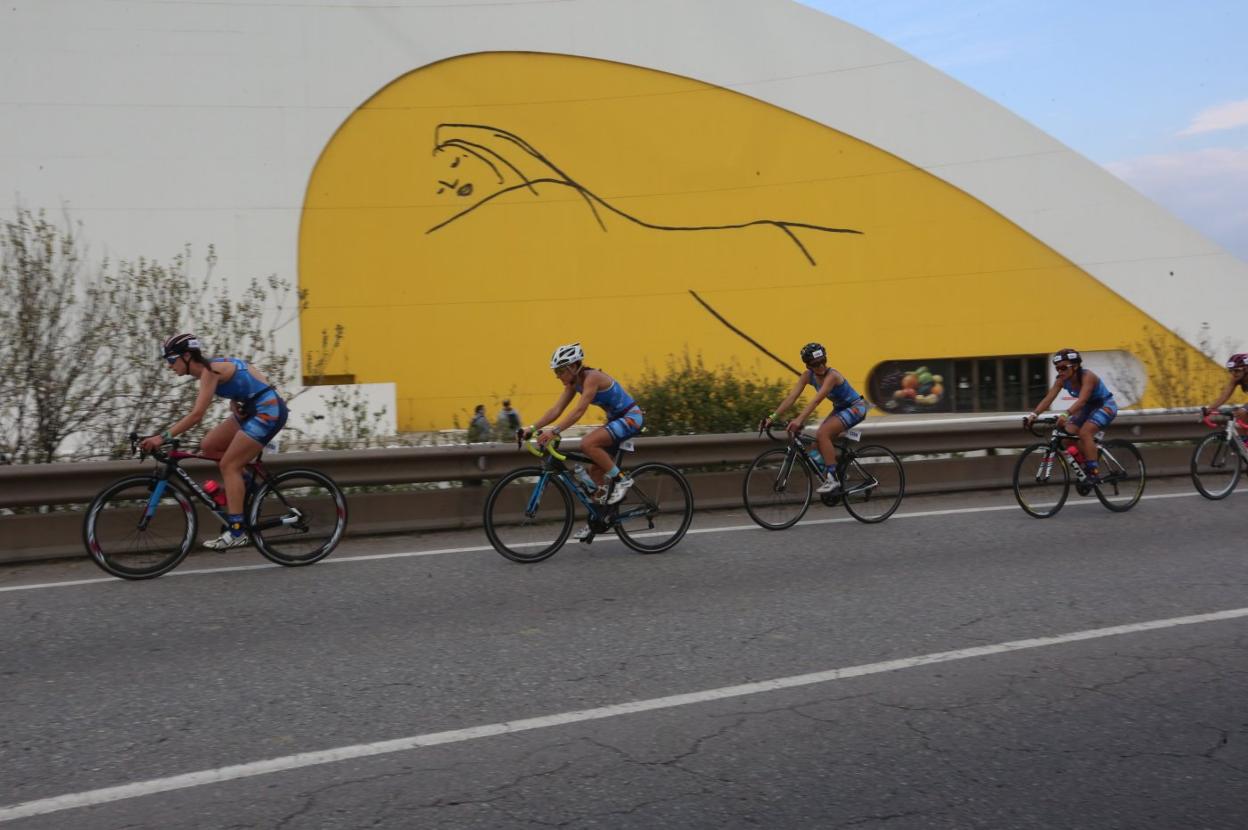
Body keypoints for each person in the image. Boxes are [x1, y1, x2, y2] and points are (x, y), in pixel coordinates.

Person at [141, 333, 288, 550]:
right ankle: (246, 485)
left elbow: (196, 415)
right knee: (209, 446)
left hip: (268, 412)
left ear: (188, 356)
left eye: (171, 360)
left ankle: (237, 530)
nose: (169, 366)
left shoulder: (210, 372)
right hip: (251, 410)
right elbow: (247, 370)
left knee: (229, 465)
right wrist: (236, 400)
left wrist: (160, 438)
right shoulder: (215, 365)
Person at [526, 343, 642, 537]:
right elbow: (556, 410)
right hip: (616, 420)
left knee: (587, 444)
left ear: (573, 366)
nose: (558, 376)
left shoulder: (592, 378)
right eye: (556, 371)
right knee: (594, 472)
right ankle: (600, 518)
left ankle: (622, 481)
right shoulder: (574, 384)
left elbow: (579, 411)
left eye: (560, 370)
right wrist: (530, 428)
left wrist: (554, 432)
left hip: (631, 417)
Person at [761, 342, 870, 494]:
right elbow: (792, 398)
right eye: (815, 364)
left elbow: (816, 400)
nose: (821, 366)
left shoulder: (832, 376)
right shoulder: (807, 376)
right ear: (808, 366)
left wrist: (799, 420)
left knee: (822, 434)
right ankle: (839, 473)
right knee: (815, 445)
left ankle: (832, 479)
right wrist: (772, 417)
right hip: (840, 409)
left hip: (856, 407)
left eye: (823, 361)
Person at [1024, 348, 1117, 484]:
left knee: (1085, 433)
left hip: (1104, 405)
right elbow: (1048, 399)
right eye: (1057, 369)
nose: (1060, 372)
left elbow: (1082, 401)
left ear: (1075, 366)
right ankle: (1087, 461)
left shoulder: (1087, 376)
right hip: (1087, 408)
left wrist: (1066, 414)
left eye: (1063, 368)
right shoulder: (1061, 380)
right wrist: (1033, 415)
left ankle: (1094, 473)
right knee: (1066, 438)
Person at [1201, 352, 1248, 438]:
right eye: (1231, 371)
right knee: (1240, 416)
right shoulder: (1235, 379)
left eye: (1237, 370)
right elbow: (1224, 396)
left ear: (1246, 369)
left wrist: (1244, 409)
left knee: (1242, 412)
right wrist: (1210, 409)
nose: (1234, 373)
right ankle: (1245, 444)